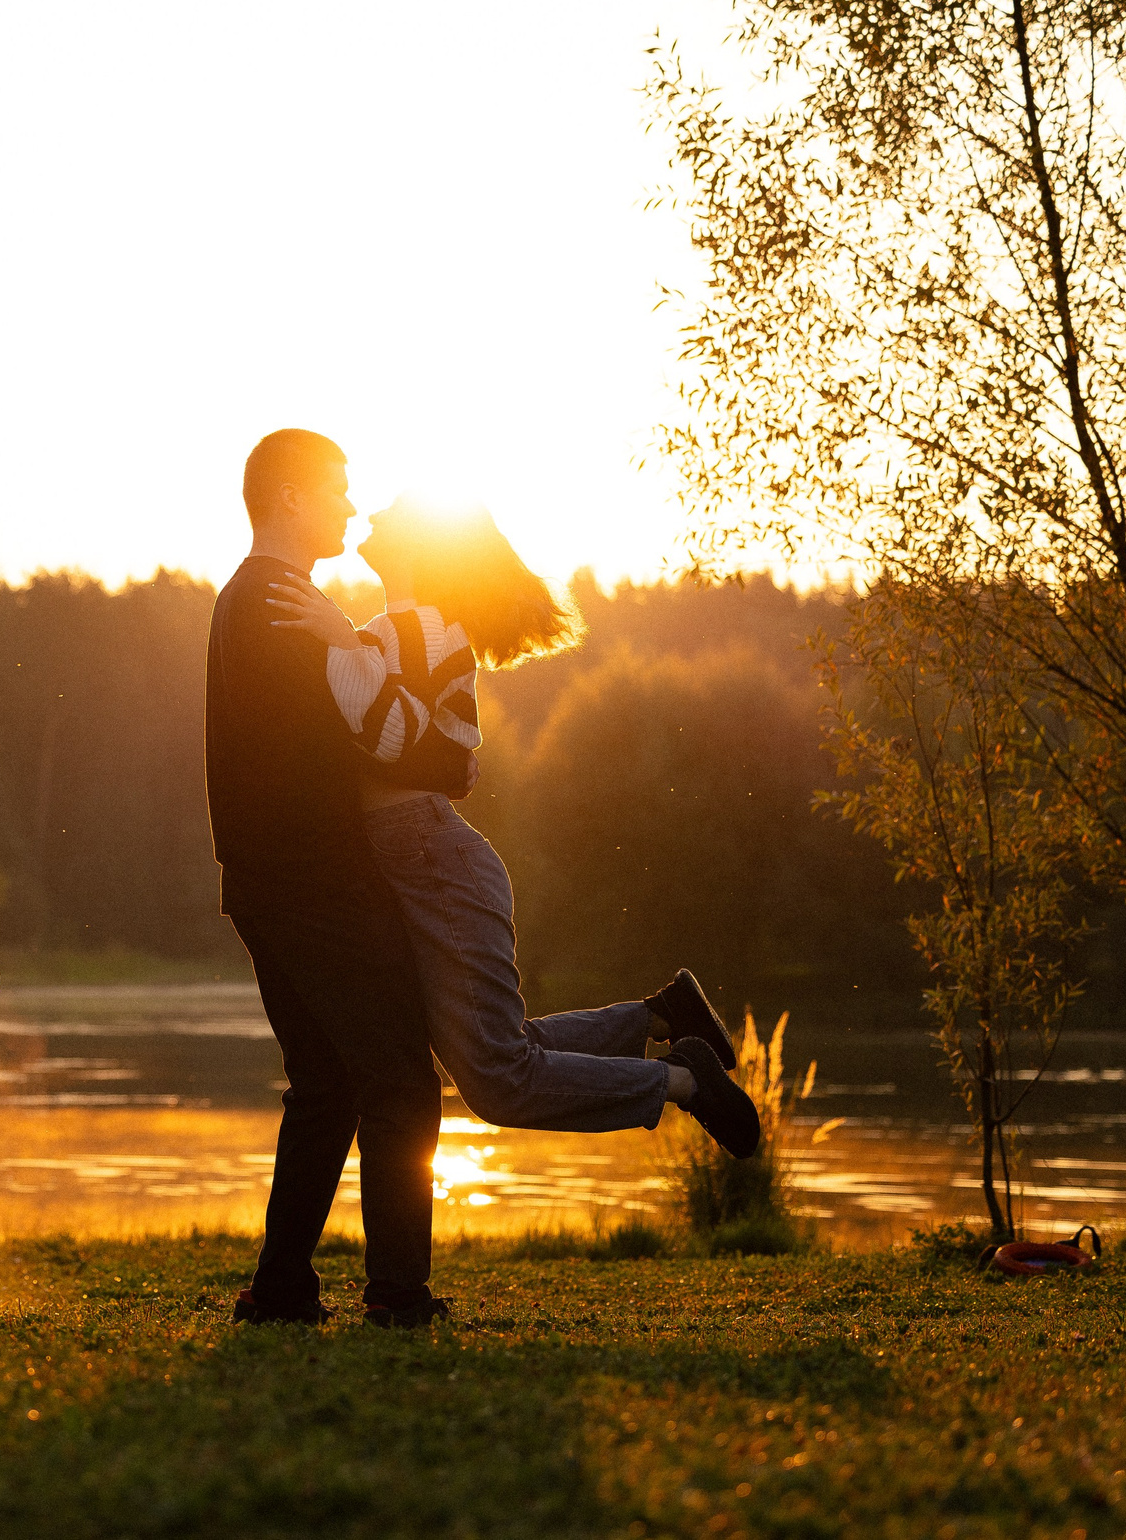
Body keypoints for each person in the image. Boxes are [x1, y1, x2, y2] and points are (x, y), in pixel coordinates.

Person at [264, 491, 762, 1156]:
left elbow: (390, 735)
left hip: (431, 860)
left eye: (392, 511)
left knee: (497, 1081)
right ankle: (663, 1014)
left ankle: (683, 1082)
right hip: (423, 859)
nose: (372, 515)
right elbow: (423, 743)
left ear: (418, 545)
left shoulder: (418, 629)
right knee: (500, 1056)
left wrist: (334, 640)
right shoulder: (398, 628)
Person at [206, 430, 469, 1330]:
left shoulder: (249, 601)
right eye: (336, 490)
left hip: (264, 885)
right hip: (316, 885)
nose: (351, 510)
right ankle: (397, 1294)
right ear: (287, 498)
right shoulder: (282, 606)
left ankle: (280, 1290)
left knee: (323, 1081)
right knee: (399, 1078)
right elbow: (379, 740)